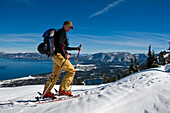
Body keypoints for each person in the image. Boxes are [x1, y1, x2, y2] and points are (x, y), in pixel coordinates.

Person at [43, 21, 81, 98]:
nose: (69, 29)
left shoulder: (59, 33)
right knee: (71, 71)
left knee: (55, 74)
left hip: (55, 55)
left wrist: (76, 48)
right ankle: (63, 90)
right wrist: (65, 54)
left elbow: (64, 47)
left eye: (70, 28)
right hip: (59, 55)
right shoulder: (62, 32)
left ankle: (46, 92)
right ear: (64, 26)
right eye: (69, 27)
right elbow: (61, 45)